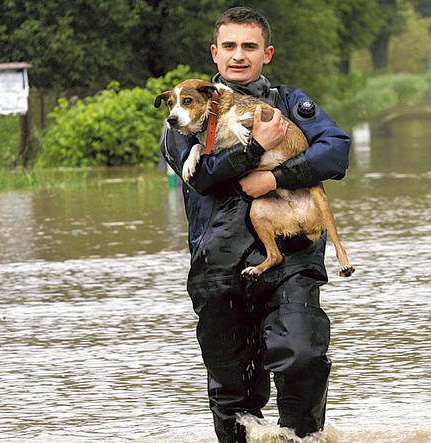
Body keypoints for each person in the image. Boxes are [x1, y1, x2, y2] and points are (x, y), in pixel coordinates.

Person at [158, 6, 350, 443]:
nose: (238, 55)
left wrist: (276, 176)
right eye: (229, 46)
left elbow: (336, 151)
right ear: (215, 53)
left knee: (303, 358)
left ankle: (305, 439)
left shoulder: (289, 102)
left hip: (292, 260)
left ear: (267, 53)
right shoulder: (185, 111)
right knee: (232, 395)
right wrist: (252, 149)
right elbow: (203, 178)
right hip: (217, 268)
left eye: (249, 46)